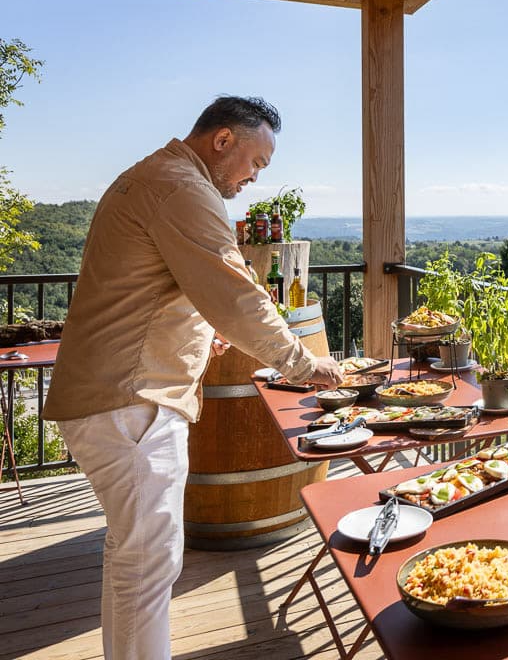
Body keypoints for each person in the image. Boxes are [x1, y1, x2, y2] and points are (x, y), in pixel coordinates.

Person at [43, 95, 343, 659]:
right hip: (132, 401)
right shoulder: (183, 187)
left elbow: (152, 289)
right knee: (149, 566)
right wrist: (306, 365)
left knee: (135, 559)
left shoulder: (151, 176)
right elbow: (236, 294)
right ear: (222, 140)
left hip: (112, 397)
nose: (255, 178)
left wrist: (205, 334)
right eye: (256, 162)